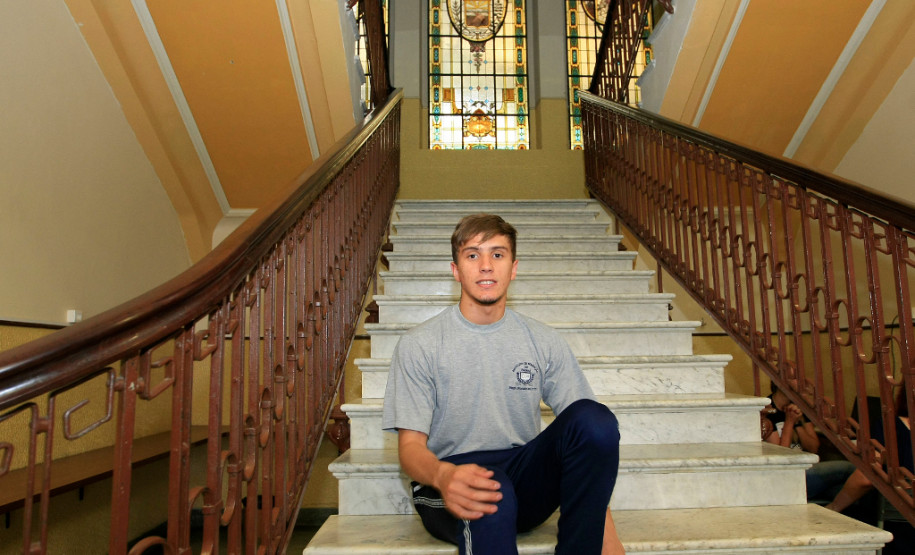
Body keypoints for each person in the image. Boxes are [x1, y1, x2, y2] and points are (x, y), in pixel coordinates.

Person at [382, 214, 624, 555]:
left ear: (513, 268)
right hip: (449, 481)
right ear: (455, 270)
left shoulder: (544, 340)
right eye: (472, 255)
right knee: (493, 492)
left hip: (523, 475)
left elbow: (589, 443)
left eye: (497, 254)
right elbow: (409, 449)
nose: (485, 266)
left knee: (594, 418)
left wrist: (602, 523)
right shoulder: (419, 345)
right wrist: (442, 476)